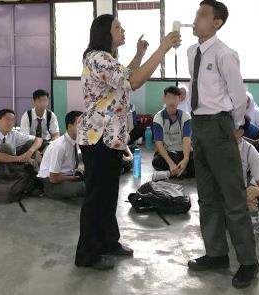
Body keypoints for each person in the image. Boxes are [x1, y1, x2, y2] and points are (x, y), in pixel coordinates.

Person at [75, 13, 180, 270]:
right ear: (104, 33)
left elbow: (126, 74)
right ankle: (87, 254)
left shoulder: (109, 60)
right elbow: (134, 81)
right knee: (97, 197)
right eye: (118, 27)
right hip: (97, 137)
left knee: (109, 194)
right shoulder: (98, 58)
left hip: (109, 137)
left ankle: (109, 241)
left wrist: (140, 54)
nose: (123, 30)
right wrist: (162, 48)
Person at [186, 1, 259, 289]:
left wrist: (235, 126)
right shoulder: (192, 52)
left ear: (216, 22)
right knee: (206, 196)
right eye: (196, 13)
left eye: (202, 15)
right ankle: (216, 253)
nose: (195, 19)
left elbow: (239, 95)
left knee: (233, 197)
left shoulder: (225, 54)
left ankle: (249, 261)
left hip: (219, 125)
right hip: (199, 125)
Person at [0, 109, 43, 183]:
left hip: (9, 167)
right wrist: (20, 158)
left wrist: (29, 152)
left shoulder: (13, 133)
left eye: (12, 120)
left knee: (30, 143)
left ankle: (32, 175)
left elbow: (39, 139)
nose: (10, 123)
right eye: (7, 119)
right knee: (4, 147)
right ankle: (27, 174)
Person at [38, 111, 85, 199]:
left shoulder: (74, 141)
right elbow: (53, 178)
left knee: (92, 182)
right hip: (50, 183)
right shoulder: (60, 146)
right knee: (86, 188)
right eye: (80, 124)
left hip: (64, 176)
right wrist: (74, 178)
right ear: (70, 126)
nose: (84, 127)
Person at [152, 86, 194, 178]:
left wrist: (186, 159)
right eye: (169, 98)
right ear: (164, 99)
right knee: (156, 161)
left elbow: (186, 139)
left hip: (183, 152)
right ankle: (182, 171)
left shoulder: (186, 117)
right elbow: (158, 144)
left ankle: (172, 173)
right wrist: (170, 163)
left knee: (198, 162)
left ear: (179, 99)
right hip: (168, 152)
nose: (172, 101)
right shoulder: (158, 118)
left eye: (175, 98)